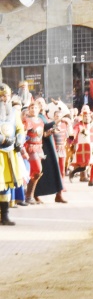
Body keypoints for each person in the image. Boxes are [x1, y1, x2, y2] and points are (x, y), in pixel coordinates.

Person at [0, 84, 24, 225]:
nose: (4, 98)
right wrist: (2, 139)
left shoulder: (14, 113)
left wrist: (19, 141)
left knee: (6, 186)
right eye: (2, 95)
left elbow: (20, 129)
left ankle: (5, 216)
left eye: (6, 96)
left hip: (9, 154)